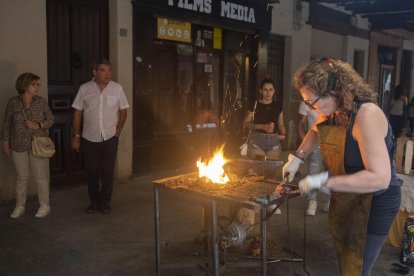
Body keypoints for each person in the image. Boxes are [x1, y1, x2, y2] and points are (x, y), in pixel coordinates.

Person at [283, 58, 401, 275]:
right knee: (346, 261)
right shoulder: (333, 111)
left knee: (357, 268)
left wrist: (324, 181)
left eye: (312, 102)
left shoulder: (366, 116)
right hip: (351, 197)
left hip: (377, 201)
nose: (310, 108)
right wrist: (297, 157)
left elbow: (380, 178)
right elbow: (316, 130)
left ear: (333, 92)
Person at [71, 59, 129, 214]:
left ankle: (105, 201)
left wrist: (119, 128)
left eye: (109, 70)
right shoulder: (84, 89)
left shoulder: (117, 89)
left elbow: (123, 110)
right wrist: (76, 135)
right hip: (89, 137)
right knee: (92, 171)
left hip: (110, 137)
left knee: (108, 171)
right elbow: (77, 112)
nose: (108, 74)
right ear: (95, 72)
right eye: (103, 70)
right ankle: (94, 201)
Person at [1, 72, 54, 219]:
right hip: (18, 144)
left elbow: (50, 119)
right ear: (24, 85)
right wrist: (5, 142)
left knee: (41, 176)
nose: (37, 87)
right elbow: (6, 124)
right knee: (22, 176)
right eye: (33, 84)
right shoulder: (13, 102)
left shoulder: (41, 102)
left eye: (38, 84)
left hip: (38, 143)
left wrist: (39, 125)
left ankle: (45, 205)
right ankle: (20, 206)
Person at [297, 101, 329, 216]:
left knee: (330, 172)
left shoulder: (331, 101)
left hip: (332, 144)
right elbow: (301, 123)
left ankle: (330, 200)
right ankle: (312, 201)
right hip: (315, 144)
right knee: (313, 173)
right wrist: (304, 144)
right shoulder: (305, 102)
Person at [243, 78, 286, 161]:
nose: (268, 93)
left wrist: (284, 135)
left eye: (270, 90)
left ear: (274, 91)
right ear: (260, 91)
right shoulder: (254, 105)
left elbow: (281, 124)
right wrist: (262, 126)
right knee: (259, 168)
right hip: (257, 140)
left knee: (271, 169)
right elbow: (245, 124)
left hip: (274, 140)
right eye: (265, 90)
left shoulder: (277, 106)